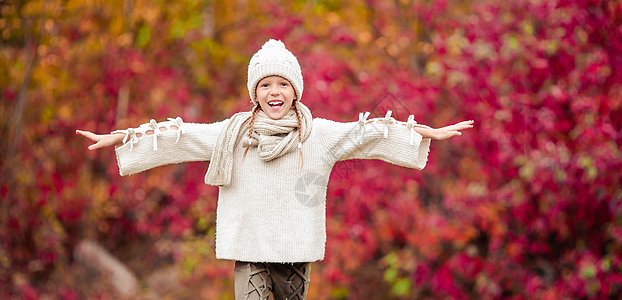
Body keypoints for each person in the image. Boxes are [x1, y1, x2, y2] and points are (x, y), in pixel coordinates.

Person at [76, 39, 474, 300]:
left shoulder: (318, 134)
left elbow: (369, 133)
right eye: (265, 85)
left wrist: (424, 134)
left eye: (282, 85)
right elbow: (181, 138)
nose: (274, 93)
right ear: (255, 92)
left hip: (294, 252)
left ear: (295, 90)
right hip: (249, 251)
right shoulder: (232, 133)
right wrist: (124, 137)